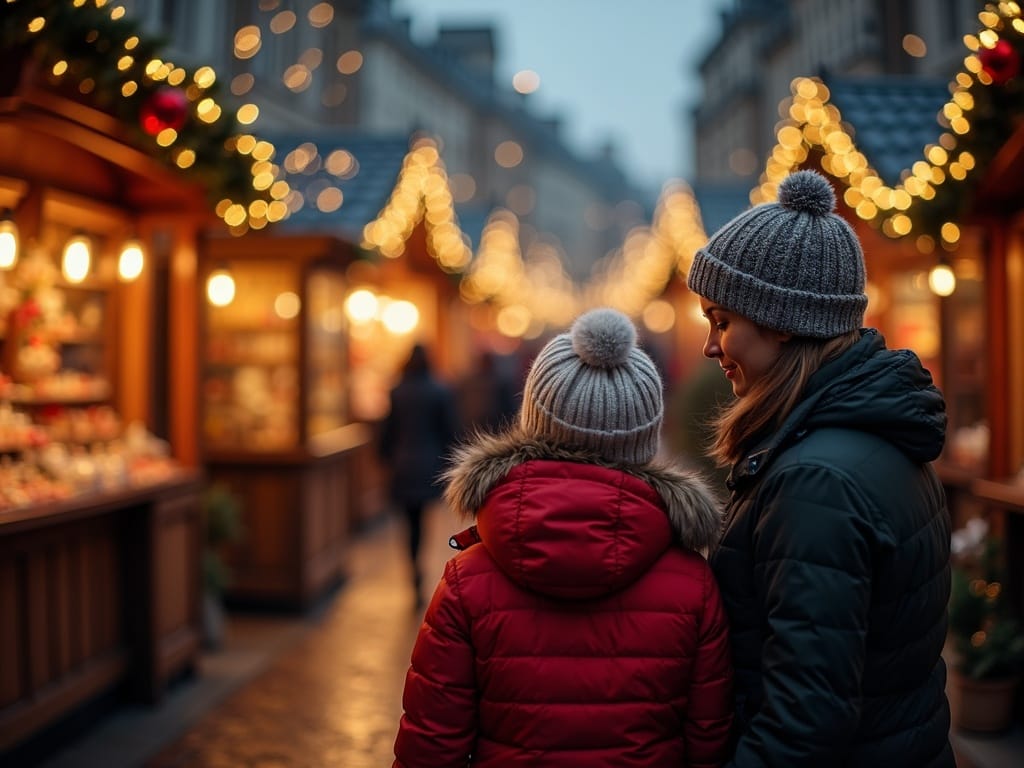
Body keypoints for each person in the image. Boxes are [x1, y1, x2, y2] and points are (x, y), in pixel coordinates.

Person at [686, 169, 953, 767]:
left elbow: (802, 727)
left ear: (780, 323)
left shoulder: (814, 483)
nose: (711, 346)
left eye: (722, 321)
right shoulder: (868, 439)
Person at [393, 308, 733, 768]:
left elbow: (431, 745)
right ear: (644, 437)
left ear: (535, 423)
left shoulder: (467, 581)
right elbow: (709, 740)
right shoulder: (693, 584)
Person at [379, 343, 458, 606]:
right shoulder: (439, 391)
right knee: (422, 522)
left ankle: (413, 567)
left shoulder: (397, 391)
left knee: (408, 523)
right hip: (428, 464)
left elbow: (388, 430)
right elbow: (448, 431)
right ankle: (419, 566)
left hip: (403, 465)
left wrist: (384, 458)